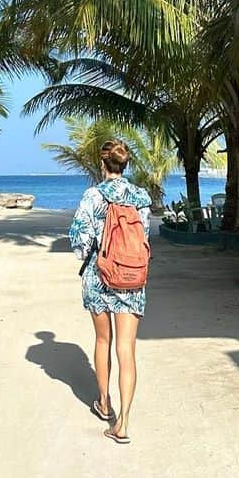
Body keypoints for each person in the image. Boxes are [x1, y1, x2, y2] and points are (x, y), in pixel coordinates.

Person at [68, 140, 152, 445]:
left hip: (99, 276)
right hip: (132, 278)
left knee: (104, 340)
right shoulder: (140, 197)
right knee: (127, 349)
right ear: (125, 165)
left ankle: (104, 404)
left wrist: (90, 253)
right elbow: (144, 235)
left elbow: (79, 239)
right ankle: (124, 421)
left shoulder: (93, 196)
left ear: (103, 165)